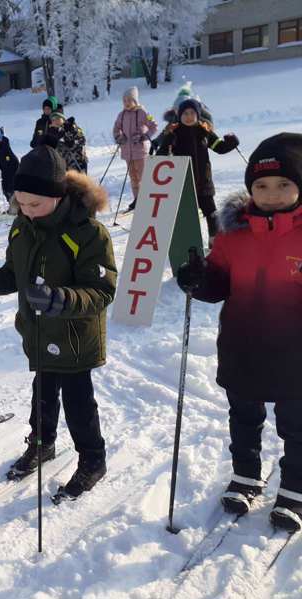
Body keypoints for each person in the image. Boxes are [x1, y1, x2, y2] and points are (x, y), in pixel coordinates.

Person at [0, 140, 116, 498]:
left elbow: (102, 290)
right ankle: (42, 443)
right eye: (21, 202)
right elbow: (14, 274)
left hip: (74, 334)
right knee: (42, 395)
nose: (26, 210)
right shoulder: (21, 228)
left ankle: (93, 458)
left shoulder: (87, 233)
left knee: (78, 402)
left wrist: (61, 299)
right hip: (39, 330)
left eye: (35, 203)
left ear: (58, 196)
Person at [176, 132, 302, 532]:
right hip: (242, 345)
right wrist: (197, 280)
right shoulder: (233, 233)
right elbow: (218, 285)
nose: (272, 194)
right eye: (261, 186)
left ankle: (296, 487)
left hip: (295, 353)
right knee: (243, 416)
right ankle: (246, 475)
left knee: (297, 424)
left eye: (284, 184)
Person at [156, 98, 239, 242]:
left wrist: (231, 142)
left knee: (212, 214)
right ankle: (188, 243)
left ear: (198, 115)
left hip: (204, 183)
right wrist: (167, 141)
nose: (188, 117)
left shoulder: (204, 132)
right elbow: (161, 157)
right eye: (185, 114)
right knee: (187, 216)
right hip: (183, 184)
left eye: (192, 113)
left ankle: (215, 241)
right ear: (179, 116)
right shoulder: (175, 133)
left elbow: (220, 148)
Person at [112, 87, 158, 212]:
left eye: (129, 100)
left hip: (140, 151)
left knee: (143, 176)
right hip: (127, 151)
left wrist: (145, 136)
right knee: (133, 177)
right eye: (124, 100)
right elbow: (116, 129)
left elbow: (154, 125)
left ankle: (147, 200)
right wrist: (119, 137)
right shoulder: (121, 115)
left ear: (135, 100)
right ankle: (137, 199)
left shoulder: (143, 112)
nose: (126, 103)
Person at [0, 128, 20, 215]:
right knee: (5, 189)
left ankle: (16, 207)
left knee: (11, 190)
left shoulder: (4, 145)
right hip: (4, 171)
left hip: (12, 171)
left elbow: (12, 159)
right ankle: (12, 206)